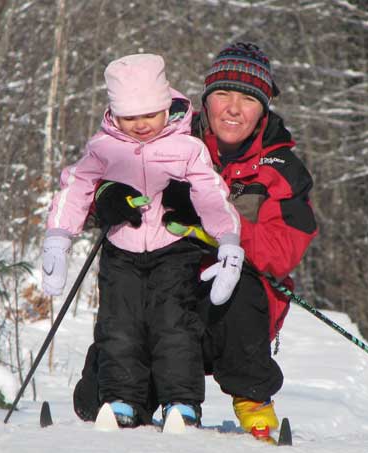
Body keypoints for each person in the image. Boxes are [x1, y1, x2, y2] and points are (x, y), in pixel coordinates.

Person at [74, 42, 318, 438]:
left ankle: (253, 402)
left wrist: (208, 221)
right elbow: (94, 178)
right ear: (206, 100)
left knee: (239, 293)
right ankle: (133, 400)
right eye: (223, 94)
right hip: (163, 297)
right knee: (93, 397)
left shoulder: (283, 169)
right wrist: (105, 198)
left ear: (265, 107)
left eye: (248, 98)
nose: (234, 108)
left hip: (229, 314)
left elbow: (281, 251)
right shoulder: (171, 136)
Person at [42, 53, 245, 428]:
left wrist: (228, 239)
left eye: (150, 115)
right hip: (121, 251)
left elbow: (211, 194)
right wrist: (58, 237)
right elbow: (76, 187)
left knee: (174, 327)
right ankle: (122, 400)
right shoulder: (104, 147)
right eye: (130, 118)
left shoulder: (188, 148)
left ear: (166, 107)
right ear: (114, 114)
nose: (141, 126)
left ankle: (180, 404)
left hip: (174, 252)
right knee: (118, 327)